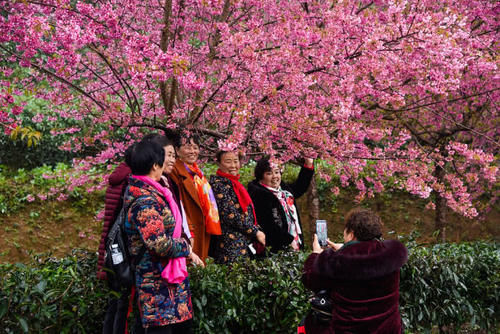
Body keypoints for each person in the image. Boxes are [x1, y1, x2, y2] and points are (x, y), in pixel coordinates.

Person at [301, 208, 408, 334]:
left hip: (347, 330)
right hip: (389, 329)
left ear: (351, 233)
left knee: (308, 325)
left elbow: (310, 280)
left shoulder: (337, 261)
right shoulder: (390, 255)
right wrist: (346, 249)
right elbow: (364, 254)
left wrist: (315, 255)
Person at [125, 139, 193, 333]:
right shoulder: (144, 200)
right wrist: (185, 247)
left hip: (167, 285)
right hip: (156, 286)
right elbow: (159, 244)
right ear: (155, 165)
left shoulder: (155, 191)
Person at [169, 134, 221, 263]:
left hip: (202, 226)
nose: (193, 151)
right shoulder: (175, 171)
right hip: (190, 228)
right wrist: (189, 229)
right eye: (188, 147)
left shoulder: (197, 172)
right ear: (177, 150)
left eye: (195, 147)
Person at [209, 150, 266, 264]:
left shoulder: (235, 184)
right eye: (228, 162)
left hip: (244, 242)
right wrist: (255, 232)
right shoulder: (218, 185)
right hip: (229, 243)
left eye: (236, 161)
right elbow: (231, 215)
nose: (233, 166)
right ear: (219, 163)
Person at [247, 157, 314, 253]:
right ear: (261, 176)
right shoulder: (259, 195)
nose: (274, 177)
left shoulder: (283, 191)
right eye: (269, 173)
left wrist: (308, 165)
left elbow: (300, 187)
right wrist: (288, 240)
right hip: (274, 249)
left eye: (277, 172)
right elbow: (268, 225)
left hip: (293, 243)